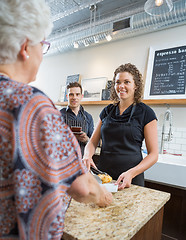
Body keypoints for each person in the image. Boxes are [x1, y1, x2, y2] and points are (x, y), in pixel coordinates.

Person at [0, 0, 113, 239]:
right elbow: (81, 187)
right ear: (25, 47)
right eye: (42, 44)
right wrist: (101, 194)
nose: (42, 53)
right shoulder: (32, 104)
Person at [83, 63, 159, 190]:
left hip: (131, 180)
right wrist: (87, 155)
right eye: (118, 82)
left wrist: (131, 173)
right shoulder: (107, 111)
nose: (121, 86)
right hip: (103, 178)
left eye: (127, 82)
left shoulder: (146, 113)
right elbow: (92, 142)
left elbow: (153, 154)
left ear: (136, 86)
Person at [60, 82, 94, 156]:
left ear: (81, 96)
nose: (74, 97)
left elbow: (94, 144)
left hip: (82, 160)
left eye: (77, 94)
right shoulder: (58, 115)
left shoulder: (88, 117)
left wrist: (86, 139)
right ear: (67, 96)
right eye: (71, 94)